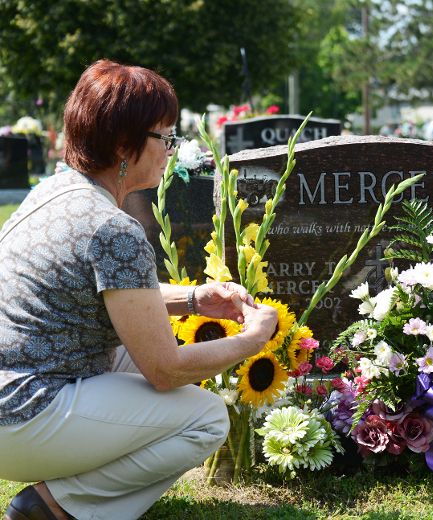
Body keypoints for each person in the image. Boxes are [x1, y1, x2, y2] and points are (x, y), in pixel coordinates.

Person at [0, 60, 278, 520]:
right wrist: (253, 339)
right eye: (165, 137)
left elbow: (100, 293)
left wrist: (193, 299)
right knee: (205, 418)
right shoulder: (113, 228)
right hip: (24, 417)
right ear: (125, 145)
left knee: (154, 358)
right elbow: (164, 371)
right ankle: (54, 506)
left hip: (14, 395)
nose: (172, 148)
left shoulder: (50, 192)